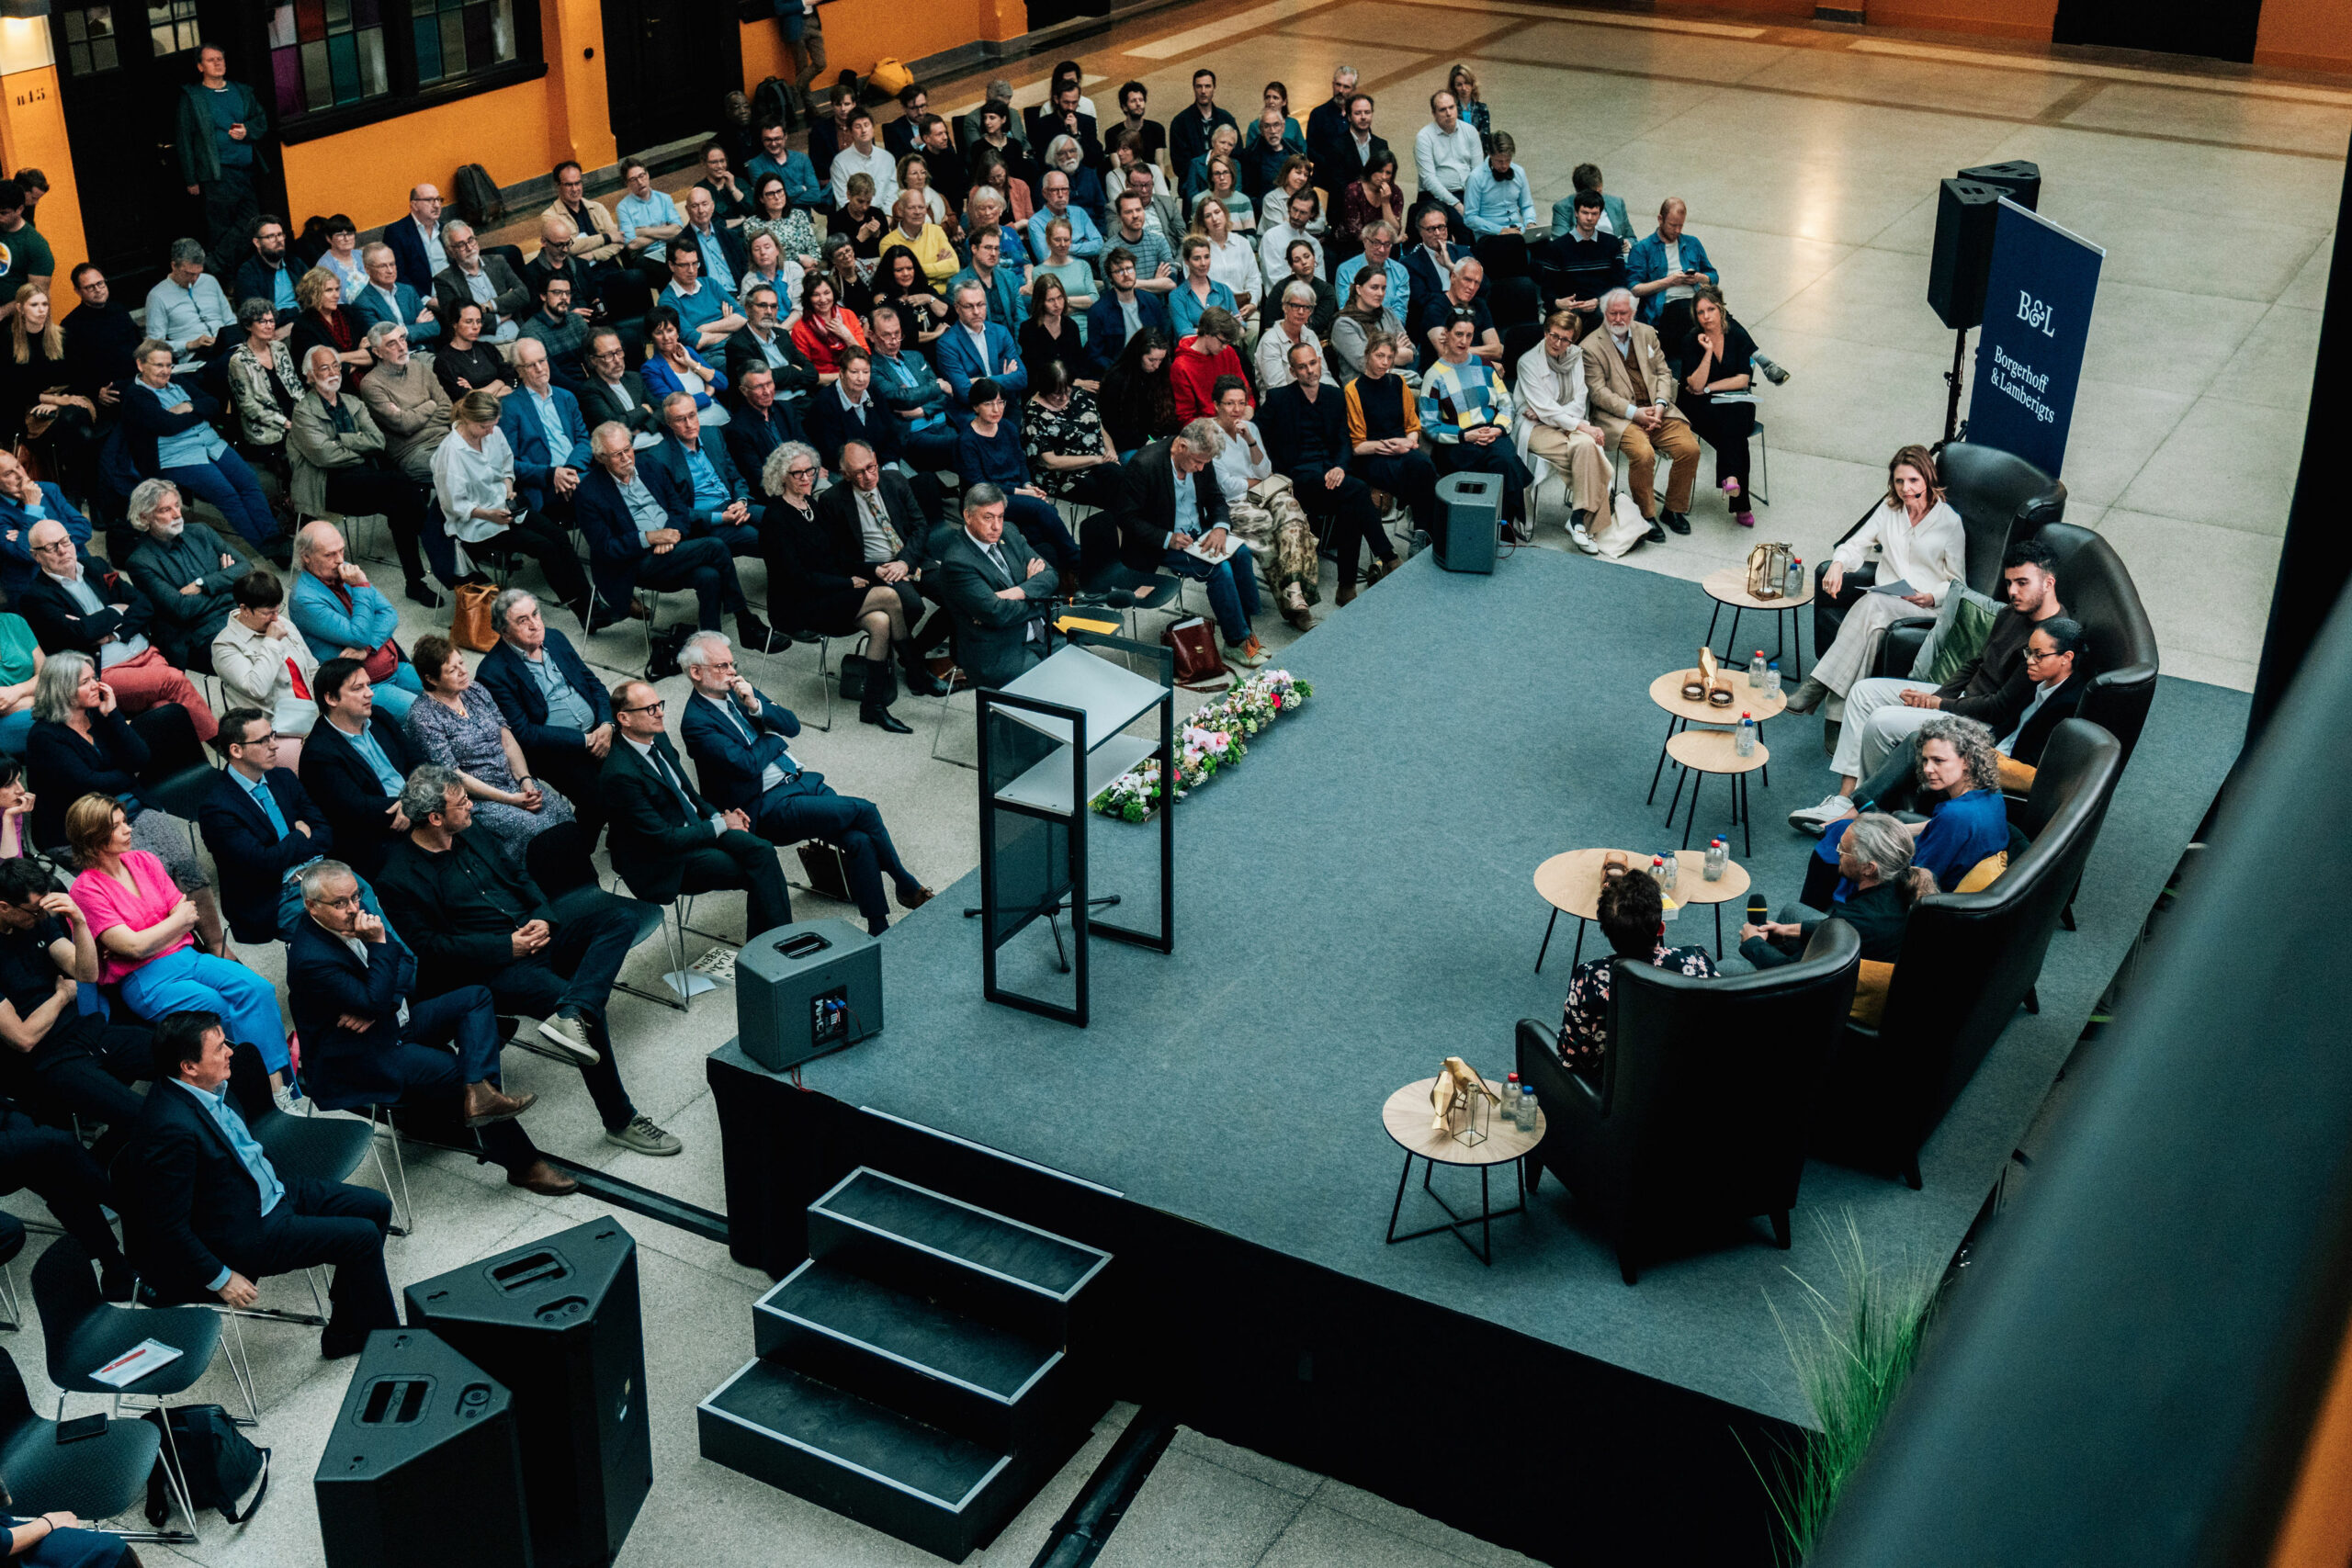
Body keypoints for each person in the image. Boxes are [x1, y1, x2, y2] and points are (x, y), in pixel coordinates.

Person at [378, 763, 678, 1152]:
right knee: (587, 1011)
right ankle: (620, 1120)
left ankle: (574, 1010)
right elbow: (433, 948)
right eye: (461, 802)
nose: (472, 805)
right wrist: (509, 946)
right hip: (490, 968)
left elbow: (520, 876)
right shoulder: (397, 878)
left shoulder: (471, 831)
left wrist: (543, 916)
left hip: (535, 933)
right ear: (435, 818)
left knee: (618, 920)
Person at [287, 860, 564, 1191]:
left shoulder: (355, 919)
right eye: (340, 903)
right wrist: (377, 952)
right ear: (311, 906)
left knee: (475, 998)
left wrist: (378, 1002)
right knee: (458, 1072)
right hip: (362, 1055)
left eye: (355, 897)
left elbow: (406, 963)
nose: (353, 909)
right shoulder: (310, 958)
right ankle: (523, 1164)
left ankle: (481, 1094)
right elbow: (379, 985)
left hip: (393, 1021)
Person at [131, 1008, 393, 1356]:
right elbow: (166, 1225)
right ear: (189, 1067)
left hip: (274, 1188)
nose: (230, 1052)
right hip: (250, 1228)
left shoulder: (209, 1085)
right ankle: (394, 1345)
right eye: (220, 1048)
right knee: (360, 1238)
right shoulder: (170, 1129)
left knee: (376, 1207)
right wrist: (222, 1278)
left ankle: (346, 1330)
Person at [1797, 538, 2068, 825]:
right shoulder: (2012, 612)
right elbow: (1977, 662)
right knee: (1863, 693)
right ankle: (1846, 798)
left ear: (2048, 583)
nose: (2012, 592)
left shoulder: (2048, 643)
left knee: (1880, 722)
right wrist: (1937, 696)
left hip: (1982, 724)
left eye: (2022, 583)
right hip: (1961, 699)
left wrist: (1942, 704)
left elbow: (2000, 708)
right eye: (2010, 583)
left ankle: (1869, 815)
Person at [677, 632, 933, 930]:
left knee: (859, 838)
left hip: (801, 781)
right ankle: (905, 884)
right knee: (865, 810)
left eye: (732, 664)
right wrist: (772, 739)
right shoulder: (696, 722)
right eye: (722, 666)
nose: (732, 672)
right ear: (696, 673)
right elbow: (746, 765)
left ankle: (879, 928)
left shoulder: (737, 691)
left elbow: (792, 726)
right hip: (766, 805)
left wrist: (757, 707)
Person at [68, 795, 286, 1077]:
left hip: (188, 957)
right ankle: (256, 1084)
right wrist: (169, 927)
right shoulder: (85, 890)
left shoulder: (144, 860)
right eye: (117, 826)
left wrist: (150, 938)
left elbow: (188, 915)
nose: (128, 829)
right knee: (217, 1007)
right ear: (93, 837)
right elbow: (135, 948)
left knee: (259, 990)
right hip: (145, 979)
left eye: (125, 821)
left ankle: (276, 1081)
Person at [1785, 445, 1969, 714]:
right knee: (1873, 627)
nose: (1906, 488)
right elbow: (1856, 544)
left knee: (1873, 604)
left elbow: (1958, 584)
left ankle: (1815, 685)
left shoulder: (1950, 523)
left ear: (1928, 478)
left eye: (1913, 480)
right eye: (1899, 481)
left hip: (1927, 609)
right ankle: (1837, 717)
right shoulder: (1889, 509)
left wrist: (1931, 596)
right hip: (1889, 601)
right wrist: (1837, 564)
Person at [601, 676, 796, 928]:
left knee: (763, 851)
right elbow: (664, 839)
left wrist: (717, 817)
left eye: (659, 705)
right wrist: (723, 824)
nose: (660, 713)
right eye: (650, 709)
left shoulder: (657, 738)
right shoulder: (620, 774)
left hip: (696, 829)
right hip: (666, 860)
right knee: (754, 871)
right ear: (624, 718)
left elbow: (688, 793)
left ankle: (772, 950)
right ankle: (767, 956)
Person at [0, 855, 153, 1174]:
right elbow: (24, 1037)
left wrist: (80, 922)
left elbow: (85, 972)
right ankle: (99, 1173)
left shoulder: (38, 920)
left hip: (85, 1031)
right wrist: (62, 996)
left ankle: (112, 1156)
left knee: (182, 1054)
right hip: (47, 1061)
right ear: (4, 907)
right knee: (142, 1114)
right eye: (34, 910)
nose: (42, 915)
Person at [576, 420, 779, 646]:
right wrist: (651, 538)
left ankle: (710, 646)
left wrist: (671, 534)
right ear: (601, 457)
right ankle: (745, 622)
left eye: (627, 449)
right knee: (715, 546)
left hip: (674, 546)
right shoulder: (589, 492)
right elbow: (605, 548)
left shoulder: (648, 465)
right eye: (617, 454)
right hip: (636, 562)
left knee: (709, 576)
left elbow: (679, 509)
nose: (626, 458)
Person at [18, 521, 220, 741]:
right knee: (173, 680)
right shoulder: (35, 597)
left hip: (146, 654)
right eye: (51, 547)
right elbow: (80, 633)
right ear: (36, 556)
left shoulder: (95, 566)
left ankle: (189, 766)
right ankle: (223, 745)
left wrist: (114, 634)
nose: (62, 550)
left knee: (165, 707)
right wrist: (116, 609)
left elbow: (143, 604)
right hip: (104, 672)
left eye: (65, 541)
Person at [403, 631, 580, 874]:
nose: (463, 671)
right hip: (477, 799)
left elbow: (506, 738)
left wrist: (525, 780)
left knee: (561, 813)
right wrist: (510, 799)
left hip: (512, 780)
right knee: (531, 828)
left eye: (461, 663)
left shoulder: (475, 690)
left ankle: (575, 879)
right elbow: (454, 775)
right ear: (431, 679)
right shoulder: (424, 717)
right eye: (452, 670)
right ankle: (539, 888)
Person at [289, 344, 447, 599]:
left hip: (367, 481)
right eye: (324, 368)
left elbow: (377, 440)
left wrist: (341, 440)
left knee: (401, 502)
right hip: (329, 487)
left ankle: (415, 582)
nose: (333, 372)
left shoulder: (352, 402)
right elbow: (324, 456)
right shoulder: (302, 412)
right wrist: (357, 444)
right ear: (309, 375)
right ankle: (444, 546)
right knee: (401, 486)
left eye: (336, 366)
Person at [1806, 716, 2011, 900]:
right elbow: (1940, 827)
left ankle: (1810, 916)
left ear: (1966, 761)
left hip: (1926, 894)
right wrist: (1899, 829)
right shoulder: (1991, 793)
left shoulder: (1954, 816)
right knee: (1848, 827)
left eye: (1938, 761)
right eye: (1925, 760)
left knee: (1837, 838)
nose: (1927, 769)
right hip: (1956, 877)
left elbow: (1921, 876)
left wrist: (1884, 843)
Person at [1113, 420, 1265, 667]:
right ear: (1181, 446)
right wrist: (1167, 538)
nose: (1202, 468)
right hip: (1162, 542)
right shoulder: (1144, 464)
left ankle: (1246, 629)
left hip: (1199, 532)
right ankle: (1236, 640)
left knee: (1242, 553)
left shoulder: (1201, 458)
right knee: (1219, 569)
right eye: (1198, 462)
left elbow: (1216, 498)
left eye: (1206, 462)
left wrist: (1219, 527)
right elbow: (1126, 517)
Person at [475, 589, 614, 842]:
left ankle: (631, 835)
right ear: (504, 631)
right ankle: (576, 854)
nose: (534, 624)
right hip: (554, 752)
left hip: (598, 733)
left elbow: (594, 685)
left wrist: (607, 724)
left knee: (645, 760)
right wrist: (585, 741)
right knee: (598, 799)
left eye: (535, 614)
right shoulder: (493, 672)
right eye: (522, 620)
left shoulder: (556, 639)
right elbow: (525, 733)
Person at [1555, 867, 1716, 1083]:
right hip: (1691, 1077)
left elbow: (1572, 1055)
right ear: (1661, 928)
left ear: (1607, 931)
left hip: (1618, 1091)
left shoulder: (1588, 979)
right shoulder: (1696, 960)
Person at [123, 339, 282, 557]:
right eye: (158, 365)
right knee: (227, 494)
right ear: (141, 365)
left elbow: (213, 404)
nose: (165, 371)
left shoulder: (178, 381)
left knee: (249, 480)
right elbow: (168, 425)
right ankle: (267, 549)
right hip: (178, 455)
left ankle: (274, 537)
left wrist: (187, 407)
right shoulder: (135, 395)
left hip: (210, 443)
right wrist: (196, 413)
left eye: (169, 365)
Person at [194, 705, 337, 944]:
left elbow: (324, 832)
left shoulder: (283, 777)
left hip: (319, 873)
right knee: (340, 932)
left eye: (272, 735)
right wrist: (300, 836)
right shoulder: (217, 810)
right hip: (276, 896)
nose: (275, 745)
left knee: (371, 914)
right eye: (263, 741)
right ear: (236, 750)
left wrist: (286, 850)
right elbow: (263, 865)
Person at [1742, 813, 1931, 973]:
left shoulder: (1852, 921)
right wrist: (1787, 930)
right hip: (1863, 959)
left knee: (1730, 968)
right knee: (1791, 911)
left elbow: (1794, 974)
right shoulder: (1904, 880)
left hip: (1830, 999)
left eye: (1843, 849)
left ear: (1868, 868)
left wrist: (1753, 943)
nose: (1837, 851)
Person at [1582, 288, 1700, 539]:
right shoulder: (1590, 346)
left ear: (1633, 313)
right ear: (1604, 313)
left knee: (1690, 449)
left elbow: (1663, 372)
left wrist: (1660, 404)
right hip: (1619, 417)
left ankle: (1673, 509)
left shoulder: (1647, 333)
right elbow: (1598, 392)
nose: (1617, 319)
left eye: (1623, 313)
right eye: (1612, 313)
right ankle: (1646, 515)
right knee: (1643, 454)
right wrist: (1635, 413)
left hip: (1657, 410)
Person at [1211, 370, 1320, 628]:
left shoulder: (1251, 428)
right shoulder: (1208, 435)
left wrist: (1250, 442)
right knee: (1271, 536)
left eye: (1241, 403)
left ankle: (1294, 589)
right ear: (1216, 405)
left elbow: (1265, 470)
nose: (1237, 409)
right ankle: (1297, 611)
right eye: (1229, 403)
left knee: (1292, 512)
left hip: (1263, 492)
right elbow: (1226, 486)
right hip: (1234, 504)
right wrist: (1255, 481)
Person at [289, 520, 424, 718]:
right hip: (364, 687)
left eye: (341, 551)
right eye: (329, 555)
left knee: (450, 689)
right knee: (425, 714)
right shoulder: (304, 598)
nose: (339, 560)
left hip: (395, 667)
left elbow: (389, 613)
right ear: (306, 557)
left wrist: (368, 648)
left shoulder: (343, 569)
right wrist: (361, 587)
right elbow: (357, 636)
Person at [297, 659, 415, 881]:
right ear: (331, 698)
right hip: (376, 837)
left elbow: (417, 760)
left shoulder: (379, 717)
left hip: (413, 809)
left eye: (368, 685)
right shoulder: (319, 753)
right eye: (358, 688)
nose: (370, 693)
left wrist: (415, 802)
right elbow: (358, 808)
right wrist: (416, 806)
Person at [931, 484, 1057, 687]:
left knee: (1084, 669)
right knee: (1053, 686)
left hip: (1041, 633)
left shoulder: (1009, 532)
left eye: (1000, 516)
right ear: (968, 516)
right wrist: (1036, 596)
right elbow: (997, 613)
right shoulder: (957, 562)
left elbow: (1050, 575)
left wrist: (1016, 591)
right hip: (999, 653)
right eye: (988, 518)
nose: (997, 526)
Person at [956, 379, 1080, 581]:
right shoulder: (966, 440)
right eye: (989, 404)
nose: (996, 409)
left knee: (1038, 527)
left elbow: (1021, 462)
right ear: (975, 407)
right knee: (1043, 509)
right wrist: (1023, 494)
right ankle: (1075, 560)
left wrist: (1028, 485)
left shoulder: (1007, 428)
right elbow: (979, 483)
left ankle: (1054, 575)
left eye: (1000, 402)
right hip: (986, 499)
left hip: (1016, 492)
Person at [1420, 309, 1532, 529]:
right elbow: (1430, 426)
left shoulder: (1483, 365)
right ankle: (1476, 526)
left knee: (1506, 462)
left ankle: (1505, 525)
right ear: (1446, 334)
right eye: (1459, 334)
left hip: (1491, 432)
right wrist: (1465, 436)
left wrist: (1498, 429)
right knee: (1480, 468)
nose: (1464, 341)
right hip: (1457, 439)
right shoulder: (1434, 375)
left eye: (1469, 335)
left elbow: (1506, 404)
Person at [1513, 310, 1612, 548]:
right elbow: (1545, 412)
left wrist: (1549, 412)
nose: (1558, 343)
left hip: (1566, 421)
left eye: (1565, 339)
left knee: (1585, 446)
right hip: (1534, 427)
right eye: (1553, 335)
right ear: (1546, 332)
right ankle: (1582, 522)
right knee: (1589, 450)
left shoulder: (1576, 357)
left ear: (1573, 340)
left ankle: (1578, 520)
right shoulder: (1528, 362)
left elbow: (1579, 401)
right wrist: (1554, 415)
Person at [1343, 329, 1441, 567]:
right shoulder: (1353, 389)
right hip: (1371, 456)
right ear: (1367, 354)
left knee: (1423, 466)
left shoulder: (1398, 383)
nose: (1385, 363)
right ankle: (1425, 532)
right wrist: (1388, 446)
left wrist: (1408, 442)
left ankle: (1422, 531)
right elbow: (1357, 446)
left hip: (1403, 451)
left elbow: (1412, 426)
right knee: (1423, 471)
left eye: (1389, 357)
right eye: (1379, 356)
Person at [123, 479, 242, 671]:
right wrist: (228, 583)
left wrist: (204, 583)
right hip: (195, 636)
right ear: (145, 518)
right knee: (256, 659)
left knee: (283, 640)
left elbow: (247, 568)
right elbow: (182, 609)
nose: (177, 514)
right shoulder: (140, 562)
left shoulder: (201, 532)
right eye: (165, 510)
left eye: (177, 505)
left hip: (235, 616)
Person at [212, 569, 317, 772]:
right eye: (267, 613)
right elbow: (257, 688)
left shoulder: (281, 622)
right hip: (274, 730)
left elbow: (311, 668)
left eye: (278, 610)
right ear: (244, 609)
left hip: (309, 713)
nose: (275, 618)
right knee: (315, 766)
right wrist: (271, 642)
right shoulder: (225, 646)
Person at [177, 43, 269, 268]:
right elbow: (184, 140)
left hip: (246, 169)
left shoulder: (241, 91)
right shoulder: (193, 97)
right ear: (200, 67)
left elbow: (261, 121)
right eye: (211, 60)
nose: (218, 63)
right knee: (221, 227)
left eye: (220, 59)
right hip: (217, 172)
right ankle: (225, 276)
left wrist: (248, 130)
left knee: (251, 221)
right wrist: (191, 179)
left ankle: (215, 264)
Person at [1675, 285, 1758, 527]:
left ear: (1721, 309)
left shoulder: (1738, 335)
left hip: (1733, 400)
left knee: (1735, 415)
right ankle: (1740, 503)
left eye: (1711, 309)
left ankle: (1730, 478)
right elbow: (1694, 385)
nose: (1706, 316)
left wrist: (1711, 387)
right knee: (1736, 436)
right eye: (1700, 312)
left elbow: (1742, 379)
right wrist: (1708, 352)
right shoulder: (1691, 340)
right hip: (1698, 406)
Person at [0, 285, 96, 492]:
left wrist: (60, 401)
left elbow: (82, 377)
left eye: (45, 304)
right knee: (79, 432)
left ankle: (76, 491)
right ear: (20, 308)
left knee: (75, 422)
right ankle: (82, 491)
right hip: (29, 410)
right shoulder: (7, 341)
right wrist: (54, 401)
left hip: (69, 400)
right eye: (34, 305)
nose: (42, 310)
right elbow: (12, 389)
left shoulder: (62, 336)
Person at [649, 390, 763, 561]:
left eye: (692, 415)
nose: (689, 424)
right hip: (705, 521)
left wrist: (741, 501)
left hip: (734, 506)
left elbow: (736, 477)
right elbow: (675, 511)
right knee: (759, 537)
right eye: (680, 419)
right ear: (669, 423)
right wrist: (722, 518)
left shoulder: (712, 435)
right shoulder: (659, 458)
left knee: (780, 518)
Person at [499, 338, 594, 526]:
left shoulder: (566, 397)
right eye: (531, 365)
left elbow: (584, 439)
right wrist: (552, 474)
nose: (540, 369)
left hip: (576, 473)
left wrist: (569, 471)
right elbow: (509, 463)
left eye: (542, 361)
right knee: (600, 493)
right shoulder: (510, 407)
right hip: (544, 484)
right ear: (519, 370)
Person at [1023, 358, 1123, 520]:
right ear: (1044, 389)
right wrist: (1096, 459)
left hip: (1098, 461)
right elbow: (1050, 462)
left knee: (1121, 478)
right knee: (1109, 494)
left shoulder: (1079, 394)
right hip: (1063, 476)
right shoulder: (1034, 413)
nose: (1063, 398)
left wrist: (1111, 452)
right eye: (1056, 394)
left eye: (1067, 391)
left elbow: (1099, 428)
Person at [0, 446, 93, 604]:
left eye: (18, 466)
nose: (21, 475)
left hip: (76, 569)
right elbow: (24, 553)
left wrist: (37, 539)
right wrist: (33, 508)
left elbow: (84, 528)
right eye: (8, 473)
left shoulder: (49, 490)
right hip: (36, 585)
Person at [1627, 197, 1718, 348]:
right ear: (1660, 219)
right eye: (1672, 225)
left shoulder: (1692, 243)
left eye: (1680, 226)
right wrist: (1668, 282)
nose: (1677, 230)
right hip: (1667, 307)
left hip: (1696, 301)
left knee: (1723, 317)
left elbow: (1713, 277)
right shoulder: (1643, 248)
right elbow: (1634, 288)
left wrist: (1699, 278)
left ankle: (1758, 358)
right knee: (1693, 315)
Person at [224, 298, 305, 465]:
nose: (269, 325)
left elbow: (295, 385)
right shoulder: (239, 360)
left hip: (294, 415)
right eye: (262, 322)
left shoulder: (280, 348)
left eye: (271, 321)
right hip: (266, 428)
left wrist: (304, 413)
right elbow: (248, 406)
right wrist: (286, 423)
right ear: (248, 326)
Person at [143, 240, 238, 374]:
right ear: (174, 266)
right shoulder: (157, 296)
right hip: (196, 358)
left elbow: (229, 320)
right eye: (188, 274)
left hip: (227, 346)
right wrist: (189, 344)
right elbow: (154, 345)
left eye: (198, 273)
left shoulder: (209, 281)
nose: (194, 279)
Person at [936, 278, 1028, 415]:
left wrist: (980, 381)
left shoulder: (1000, 332)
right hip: (972, 413)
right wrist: (1004, 379)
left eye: (980, 305)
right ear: (957, 308)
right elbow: (964, 393)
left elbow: (1021, 378)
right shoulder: (947, 344)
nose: (976, 312)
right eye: (969, 306)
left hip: (1006, 406)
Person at [1537, 190, 1627, 321]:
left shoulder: (1611, 243)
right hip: (1570, 312)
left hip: (1602, 309)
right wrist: (1559, 303)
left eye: (1594, 214)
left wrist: (1598, 301)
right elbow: (1547, 290)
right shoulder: (1557, 247)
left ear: (1600, 215)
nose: (1589, 218)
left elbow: (1620, 285)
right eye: (1585, 213)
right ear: (1576, 213)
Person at [1084, 248, 1173, 378]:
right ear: (1110, 278)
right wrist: (1121, 370)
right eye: (1119, 271)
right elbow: (1096, 355)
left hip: (1152, 368)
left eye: (1129, 268)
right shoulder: (1098, 311)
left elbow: (1164, 339)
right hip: (1119, 373)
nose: (1126, 274)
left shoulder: (1151, 302)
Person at [1414, 89, 1483, 243]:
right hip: (1437, 197)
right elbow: (1429, 179)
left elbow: (1478, 172)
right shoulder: (1424, 137)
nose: (1448, 113)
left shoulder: (1470, 132)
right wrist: (1457, 205)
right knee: (1462, 224)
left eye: (1451, 107)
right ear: (1434, 113)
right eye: (1442, 110)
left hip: (1468, 193)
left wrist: (1474, 202)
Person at [1099, 327, 1179, 457]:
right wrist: (1146, 442)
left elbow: (1167, 416)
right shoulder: (1117, 379)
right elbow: (1113, 426)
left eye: (1161, 360)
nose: (1157, 365)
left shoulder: (1161, 372)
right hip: (1126, 445)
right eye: (1151, 360)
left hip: (1154, 439)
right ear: (1138, 355)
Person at [289, 266, 372, 389]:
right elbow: (325, 371)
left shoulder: (348, 312)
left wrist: (339, 357)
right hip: (332, 390)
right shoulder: (303, 327)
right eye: (329, 290)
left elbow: (373, 354)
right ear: (313, 293)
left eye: (337, 289)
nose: (336, 295)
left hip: (368, 380)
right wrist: (359, 354)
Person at [659, 242, 745, 355]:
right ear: (671, 266)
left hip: (739, 343)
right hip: (710, 353)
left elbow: (743, 317)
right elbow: (696, 341)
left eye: (695, 263)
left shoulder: (710, 284)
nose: (691, 270)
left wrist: (703, 328)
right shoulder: (667, 301)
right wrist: (729, 328)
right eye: (684, 265)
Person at [350, 241, 440, 349]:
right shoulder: (363, 303)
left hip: (427, 353)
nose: (390, 270)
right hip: (398, 361)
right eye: (383, 266)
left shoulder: (408, 291)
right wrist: (416, 327)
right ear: (367, 269)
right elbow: (383, 341)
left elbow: (435, 328)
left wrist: (403, 330)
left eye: (392, 264)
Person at [1329, 265, 1408, 385]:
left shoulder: (1388, 314)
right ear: (1359, 289)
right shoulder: (1344, 324)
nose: (1380, 293)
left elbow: (1411, 353)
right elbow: (1366, 364)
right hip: (1361, 388)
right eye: (1374, 287)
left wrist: (1380, 355)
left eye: (1383, 288)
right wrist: (1395, 349)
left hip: (1393, 382)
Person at [576, 328, 663, 437]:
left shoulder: (635, 378)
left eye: (619, 351)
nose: (617, 360)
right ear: (593, 360)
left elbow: (660, 409)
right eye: (608, 355)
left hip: (655, 438)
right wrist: (644, 410)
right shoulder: (589, 391)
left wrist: (644, 429)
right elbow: (612, 426)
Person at [1169, 311, 1249, 426]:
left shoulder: (1228, 352)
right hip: (1207, 431)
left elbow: (1244, 387)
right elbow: (1186, 417)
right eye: (1222, 342)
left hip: (1235, 421)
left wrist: (1248, 407)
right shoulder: (1181, 366)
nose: (1225, 347)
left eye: (1228, 343)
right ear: (1207, 333)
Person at [516, 273, 594, 388]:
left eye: (567, 293)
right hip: (558, 392)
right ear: (543, 296)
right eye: (557, 292)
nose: (564, 298)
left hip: (589, 385)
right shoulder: (530, 333)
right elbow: (552, 377)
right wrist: (587, 391)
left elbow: (592, 357)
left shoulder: (576, 320)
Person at [742, 171, 823, 278]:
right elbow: (763, 258)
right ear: (761, 198)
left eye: (780, 191)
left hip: (807, 272)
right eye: (770, 194)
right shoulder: (751, 224)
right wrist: (798, 258)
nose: (777, 197)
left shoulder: (798, 216)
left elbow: (814, 249)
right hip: (774, 275)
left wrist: (810, 268)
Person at [1335, 219, 1411, 328]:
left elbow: (1400, 314)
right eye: (1376, 243)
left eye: (1387, 244)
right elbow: (1346, 311)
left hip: (1391, 334)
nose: (1381, 249)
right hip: (1357, 331)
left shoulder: (1400, 272)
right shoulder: (1346, 270)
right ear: (1365, 241)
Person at [1255, 279, 1329, 391]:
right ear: (1285, 307)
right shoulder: (1270, 341)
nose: (1301, 312)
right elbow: (1277, 388)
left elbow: (1324, 375)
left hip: (1313, 398)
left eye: (1306, 307)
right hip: (1282, 404)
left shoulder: (1310, 335)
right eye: (1295, 306)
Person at [1464, 132, 1536, 246]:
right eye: (1499, 161)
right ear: (1490, 155)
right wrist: (1500, 230)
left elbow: (1526, 206)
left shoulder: (1519, 172)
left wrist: (1530, 223)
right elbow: (1470, 218)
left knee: (1546, 244)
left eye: (1508, 160)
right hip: (1489, 235)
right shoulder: (1476, 177)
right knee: (1514, 244)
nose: (1505, 166)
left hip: (1516, 231)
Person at [430, 301, 510, 403]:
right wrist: (500, 384)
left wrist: (478, 392)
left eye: (479, 321)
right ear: (455, 323)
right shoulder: (445, 361)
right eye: (469, 321)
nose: (476, 327)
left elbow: (511, 378)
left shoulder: (487, 348)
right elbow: (465, 400)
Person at [614, 160, 684, 269]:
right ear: (627, 184)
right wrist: (664, 232)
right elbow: (632, 245)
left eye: (642, 176)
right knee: (670, 267)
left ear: (648, 174)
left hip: (671, 249)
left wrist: (645, 232)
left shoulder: (664, 198)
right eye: (633, 180)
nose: (640, 182)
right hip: (645, 257)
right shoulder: (623, 208)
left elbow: (678, 230)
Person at [231, 215, 300, 324]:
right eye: (271, 236)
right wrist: (294, 316)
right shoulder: (248, 272)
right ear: (257, 242)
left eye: (280, 235)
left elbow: (316, 297)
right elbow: (257, 316)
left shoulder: (295, 263)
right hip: (273, 328)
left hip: (300, 323)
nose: (278, 240)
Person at [1170, 69, 1238, 176]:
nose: (1203, 91)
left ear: (1214, 88)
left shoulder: (1226, 119)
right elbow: (1180, 165)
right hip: (1193, 183)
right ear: (1194, 88)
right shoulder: (1180, 122)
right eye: (1199, 86)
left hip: (1224, 179)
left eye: (1207, 86)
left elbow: (1237, 153)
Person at [1552, 163, 1632, 253]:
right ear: (1579, 193)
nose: (1598, 199)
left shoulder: (1617, 203)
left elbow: (1631, 237)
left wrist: (1628, 245)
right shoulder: (1562, 209)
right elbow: (1559, 246)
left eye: (1600, 192)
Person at [1260, 190, 1324, 293]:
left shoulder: (1314, 244)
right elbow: (1274, 281)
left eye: (1302, 212)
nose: (1296, 216)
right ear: (1289, 207)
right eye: (1294, 209)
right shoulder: (1272, 236)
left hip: (1311, 302)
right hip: (1280, 300)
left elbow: (1320, 282)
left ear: (1312, 214)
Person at [1446, 63, 1493, 147]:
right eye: (1459, 85)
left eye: (1467, 83)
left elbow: (1485, 138)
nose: (1464, 88)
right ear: (1454, 87)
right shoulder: (1449, 110)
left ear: (1472, 84)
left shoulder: (1482, 108)